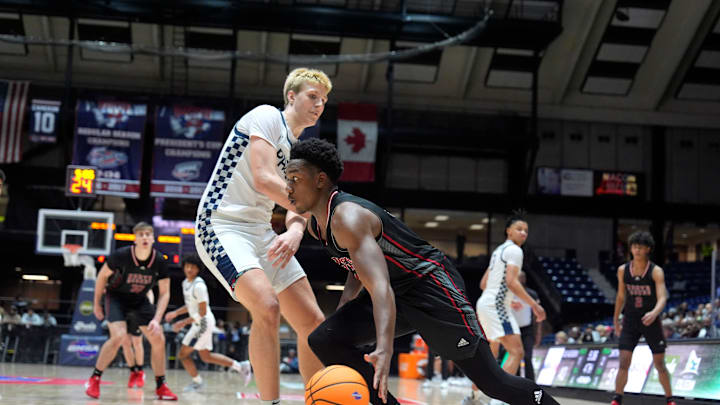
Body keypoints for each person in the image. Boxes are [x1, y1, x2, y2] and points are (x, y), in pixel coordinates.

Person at [286, 138, 560, 405]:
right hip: (397, 291)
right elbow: (357, 267)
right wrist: (346, 307)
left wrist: (384, 349)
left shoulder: (348, 217)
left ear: (320, 180)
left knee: (493, 382)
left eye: (295, 179)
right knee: (325, 339)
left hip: (431, 286)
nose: (288, 187)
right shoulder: (317, 225)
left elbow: (380, 287)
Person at [194, 68, 329, 404]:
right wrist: (318, 209)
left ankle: (319, 399)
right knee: (267, 307)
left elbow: (299, 210)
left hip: (260, 232)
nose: (319, 105)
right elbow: (264, 178)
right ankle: (271, 402)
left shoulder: (301, 151)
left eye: (324, 100)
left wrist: (296, 230)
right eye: (313, 96)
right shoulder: (267, 117)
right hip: (221, 225)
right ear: (292, 96)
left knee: (313, 321)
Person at [85, 222, 177, 400]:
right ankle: (95, 378)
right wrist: (97, 304)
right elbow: (102, 276)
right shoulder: (121, 256)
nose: (144, 237)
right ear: (135, 238)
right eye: (140, 234)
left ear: (152, 238)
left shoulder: (159, 261)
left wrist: (157, 319)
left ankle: (161, 385)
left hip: (139, 300)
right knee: (119, 336)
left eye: (147, 234)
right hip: (116, 297)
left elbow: (165, 294)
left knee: (158, 338)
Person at [471, 214, 547, 404]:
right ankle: (498, 399)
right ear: (508, 231)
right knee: (516, 352)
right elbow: (511, 281)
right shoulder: (514, 250)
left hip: (486, 303)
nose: (523, 233)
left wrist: (506, 297)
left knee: (492, 355)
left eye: (526, 231)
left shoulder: (498, 251)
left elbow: (483, 284)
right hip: (496, 306)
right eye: (519, 229)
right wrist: (535, 305)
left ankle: (475, 395)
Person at [165, 254, 252, 392]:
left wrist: (182, 322)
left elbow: (202, 312)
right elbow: (190, 306)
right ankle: (240, 366)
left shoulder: (199, 285)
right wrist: (175, 313)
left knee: (183, 354)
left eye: (193, 267)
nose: (189, 269)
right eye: (187, 266)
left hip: (203, 322)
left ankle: (198, 382)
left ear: (198, 269)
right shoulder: (186, 283)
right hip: (198, 322)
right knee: (206, 356)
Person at [612, 231, 675, 405]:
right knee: (624, 360)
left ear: (648, 249)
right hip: (631, 321)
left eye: (640, 247)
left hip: (651, 320)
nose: (637, 250)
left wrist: (654, 312)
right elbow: (620, 297)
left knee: (660, 363)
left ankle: (669, 399)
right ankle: (617, 398)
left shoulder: (656, 271)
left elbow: (663, 297)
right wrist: (615, 319)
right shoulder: (623, 270)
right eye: (634, 247)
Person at [510, 272, 542, 381]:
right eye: (519, 277)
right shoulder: (508, 293)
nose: (521, 279)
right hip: (513, 330)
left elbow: (537, 315)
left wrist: (538, 333)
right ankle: (516, 383)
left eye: (523, 277)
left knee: (527, 357)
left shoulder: (531, 294)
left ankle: (531, 384)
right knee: (516, 357)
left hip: (528, 329)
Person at [119, 289, 154, 388]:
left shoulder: (139, 277)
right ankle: (132, 372)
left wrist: (149, 306)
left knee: (137, 342)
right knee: (125, 343)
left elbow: (149, 291)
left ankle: (140, 371)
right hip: (123, 311)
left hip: (137, 312)